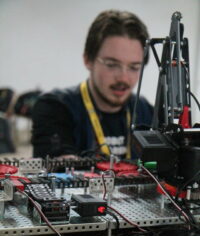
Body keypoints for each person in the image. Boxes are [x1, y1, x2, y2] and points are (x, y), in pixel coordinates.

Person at [32, 10, 153, 160]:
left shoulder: (146, 112)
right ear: (88, 60)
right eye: (111, 64)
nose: (123, 77)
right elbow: (59, 170)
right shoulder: (54, 108)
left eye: (134, 67)